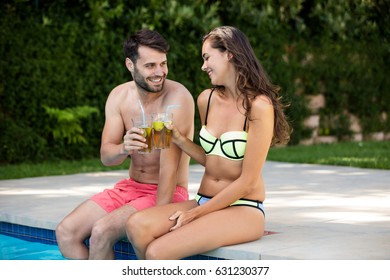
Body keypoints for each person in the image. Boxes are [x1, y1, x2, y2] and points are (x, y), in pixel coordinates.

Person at [125, 26, 291, 260]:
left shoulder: (259, 106)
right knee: (136, 225)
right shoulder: (207, 99)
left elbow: (247, 181)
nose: (203, 66)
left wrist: (197, 214)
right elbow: (212, 160)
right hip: (204, 199)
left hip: (243, 207)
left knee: (157, 252)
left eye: (206, 57)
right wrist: (180, 139)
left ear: (229, 54)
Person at [55, 29, 195, 259]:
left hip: (167, 192)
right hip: (130, 187)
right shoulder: (119, 96)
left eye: (163, 64)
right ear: (130, 64)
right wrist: (123, 148)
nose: (160, 72)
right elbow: (106, 157)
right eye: (150, 66)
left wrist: (157, 218)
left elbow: (168, 170)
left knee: (101, 231)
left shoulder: (178, 98)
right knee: (66, 232)